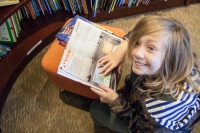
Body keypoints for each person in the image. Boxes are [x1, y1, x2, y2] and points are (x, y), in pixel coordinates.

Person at [90, 14, 200, 133]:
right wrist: (122, 48)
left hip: (152, 124)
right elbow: (140, 32)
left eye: (151, 48)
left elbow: (140, 129)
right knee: (136, 70)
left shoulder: (159, 108)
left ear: (171, 57)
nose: (137, 53)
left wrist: (116, 102)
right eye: (137, 42)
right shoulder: (183, 55)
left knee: (97, 110)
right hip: (147, 94)